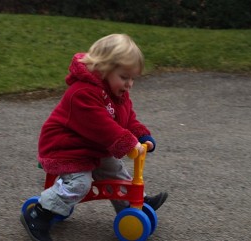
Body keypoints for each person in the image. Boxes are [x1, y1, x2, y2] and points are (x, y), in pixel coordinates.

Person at [20, 33, 168, 241]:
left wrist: (142, 135)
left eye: (133, 78)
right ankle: (38, 214)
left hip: (91, 147)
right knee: (79, 183)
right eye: (124, 77)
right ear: (104, 70)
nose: (129, 84)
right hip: (66, 149)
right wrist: (128, 143)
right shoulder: (82, 93)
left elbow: (127, 119)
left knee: (114, 169)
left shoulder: (116, 94)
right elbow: (102, 126)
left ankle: (135, 203)